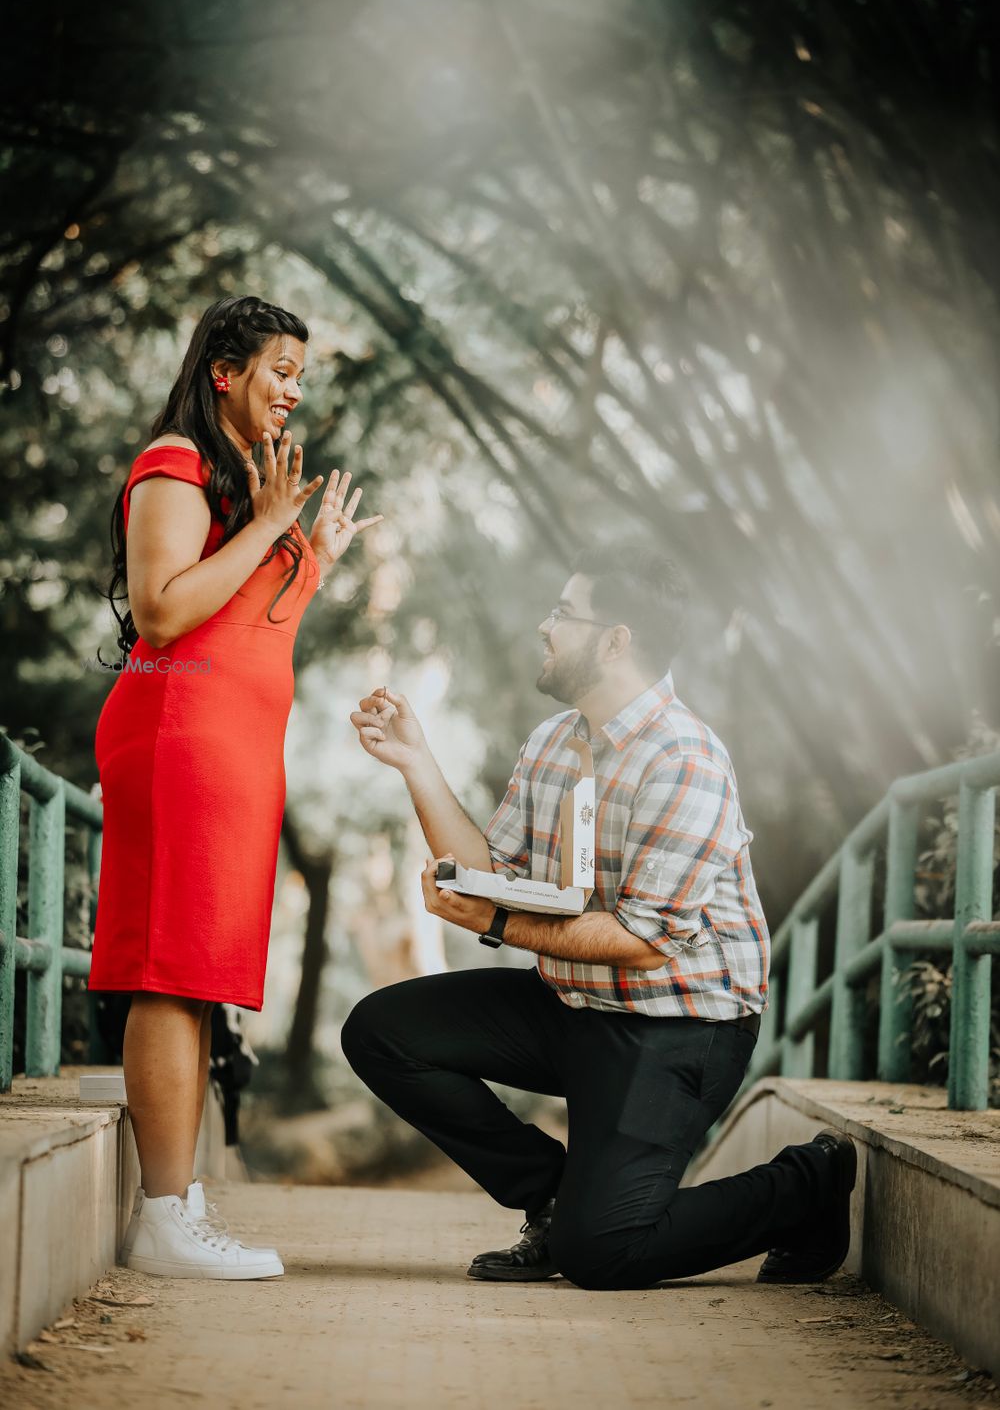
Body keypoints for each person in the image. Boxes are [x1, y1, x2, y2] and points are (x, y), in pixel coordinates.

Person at [342, 544, 857, 1290]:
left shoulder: (686, 761)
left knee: (603, 1254)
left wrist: (491, 924)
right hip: (574, 1001)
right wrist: (418, 764)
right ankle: (551, 1196)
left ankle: (807, 1184)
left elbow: (642, 944)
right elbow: (493, 875)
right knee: (382, 1033)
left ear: (615, 639)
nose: (545, 628)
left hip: (679, 1027)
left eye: (563, 613)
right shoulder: (555, 742)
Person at [89, 295, 382, 1279]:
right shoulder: (173, 466)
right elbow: (164, 616)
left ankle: (181, 1204)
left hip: (234, 745)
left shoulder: (239, 485)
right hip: (179, 735)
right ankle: (165, 1220)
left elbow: (245, 627)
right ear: (225, 370)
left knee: (201, 974)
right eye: (281, 369)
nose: (295, 391)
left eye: (302, 374)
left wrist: (309, 563)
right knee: (172, 969)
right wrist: (266, 528)